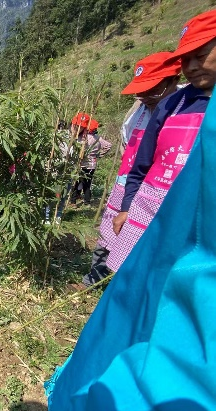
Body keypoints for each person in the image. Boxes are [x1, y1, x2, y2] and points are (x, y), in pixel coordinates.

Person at [22, 63, 216, 411]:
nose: (143, 97)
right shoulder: (172, 105)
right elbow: (142, 157)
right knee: (127, 280)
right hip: (157, 205)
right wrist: (130, 200)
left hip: (185, 228)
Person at [107, 9, 216, 273]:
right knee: (134, 283)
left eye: (200, 56)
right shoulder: (172, 105)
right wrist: (127, 207)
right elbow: (140, 166)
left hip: (200, 227)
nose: (191, 67)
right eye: (184, 60)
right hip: (149, 212)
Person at [81, 52, 181, 287]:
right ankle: (94, 279)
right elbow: (129, 147)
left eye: (151, 90)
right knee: (108, 234)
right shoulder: (136, 111)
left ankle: (126, 289)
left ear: (173, 81)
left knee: (144, 245)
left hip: (157, 192)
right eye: (141, 90)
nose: (144, 96)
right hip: (127, 184)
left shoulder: (184, 109)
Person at [69, 113, 111, 205]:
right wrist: (99, 155)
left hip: (82, 163)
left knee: (78, 182)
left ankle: (73, 201)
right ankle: (87, 202)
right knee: (87, 184)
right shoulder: (97, 138)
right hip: (92, 164)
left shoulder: (82, 138)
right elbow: (108, 145)